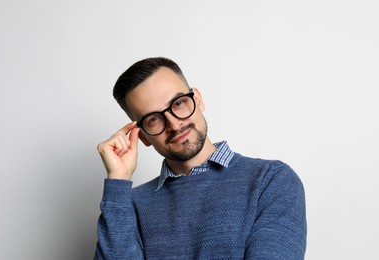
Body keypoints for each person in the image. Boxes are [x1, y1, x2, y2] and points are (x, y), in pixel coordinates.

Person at [94, 57, 307, 259]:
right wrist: (118, 180)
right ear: (143, 137)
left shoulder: (271, 181)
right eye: (153, 119)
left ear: (198, 99)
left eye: (178, 103)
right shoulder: (127, 205)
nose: (175, 125)